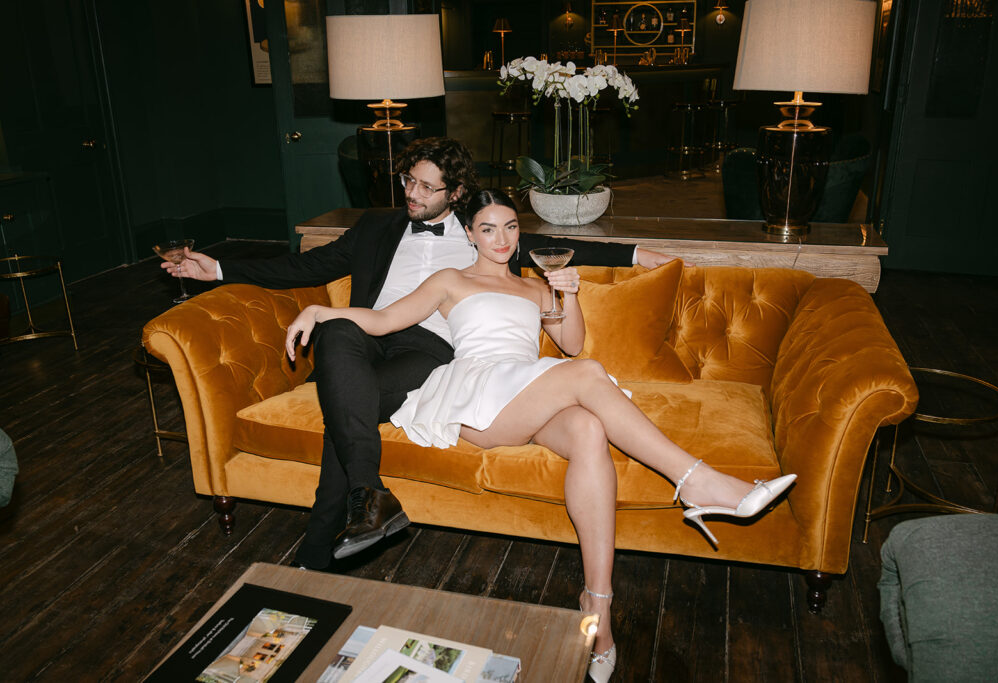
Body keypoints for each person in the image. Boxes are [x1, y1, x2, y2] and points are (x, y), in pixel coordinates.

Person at [284, 189, 797, 683]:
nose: (502, 239)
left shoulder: (535, 285)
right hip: (475, 394)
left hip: (526, 391)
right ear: (470, 234)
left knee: (590, 428)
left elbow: (570, 345)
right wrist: (322, 312)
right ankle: (698, 481)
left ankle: (599, 609)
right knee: (590, 374)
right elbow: (384, 319)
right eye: (488, 229)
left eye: (509, 227)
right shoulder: (450, 280)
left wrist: (567, 297)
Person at [161, 137, 676, 571]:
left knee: (347, 413)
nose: (412, 193)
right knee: (337, 333)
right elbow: (306, 268)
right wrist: (220, 268)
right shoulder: (375, 228)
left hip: (425, 349)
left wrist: (638, 254)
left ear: (455, 193)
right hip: (367, 334)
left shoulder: (484, 236)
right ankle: (368, 497)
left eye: (427, 187)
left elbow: (563, 248)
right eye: (409, 181)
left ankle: (319, 553)